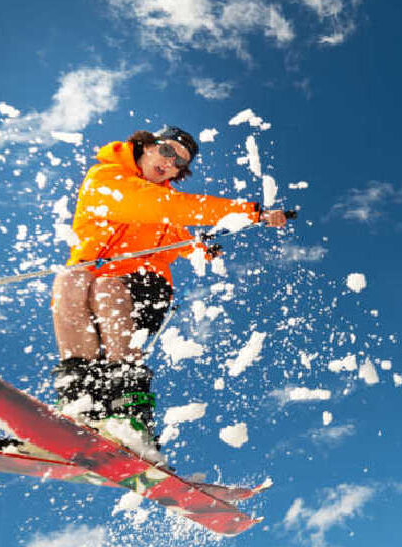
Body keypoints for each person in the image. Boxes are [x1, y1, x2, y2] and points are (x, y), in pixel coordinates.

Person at [51, 126, 287, 451]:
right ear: (145, 145)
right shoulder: (105, 179)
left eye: (180, 164)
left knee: (106, 287)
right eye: (168, 152)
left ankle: (128, 412)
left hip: (144, 290)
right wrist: (249, 212)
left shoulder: (164, 206)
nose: (172, 164)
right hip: (90, 292)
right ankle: (81, 403)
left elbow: (180, 233)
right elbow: (164, 206)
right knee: (69, 279)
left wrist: (206, 247)